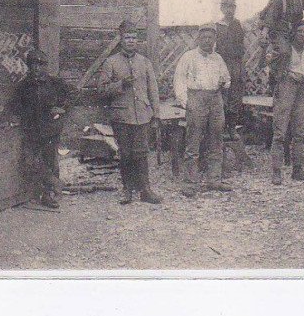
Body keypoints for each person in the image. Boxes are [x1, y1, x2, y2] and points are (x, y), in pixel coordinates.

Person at [97, 21, 162, 205]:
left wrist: (156, 114)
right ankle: (127, 190)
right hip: (121, 116)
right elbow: (101, 90)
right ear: (121, 39)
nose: (131, 41)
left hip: (142, 115)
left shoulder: (145, 62)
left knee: (141, 153)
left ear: (137, 40)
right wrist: (120, 85)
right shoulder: (111, 62)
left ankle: (145, 190)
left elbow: (153, 90)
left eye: (133, 37)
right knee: (125, 154)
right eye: (127, 37)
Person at [5, 47, 74, 210]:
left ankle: (50, 194)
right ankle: (53, 185)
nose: (37, 68)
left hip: (51, 129)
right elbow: (12, 105)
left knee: (50, 160)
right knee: (32, 161)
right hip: (31, 129)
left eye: (40, 64)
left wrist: (62, 108)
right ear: (29, 67)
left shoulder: (55, 83)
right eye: (33, 65)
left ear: (46, 66)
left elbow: (73, 94)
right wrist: (10, 117)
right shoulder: (23, 86)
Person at [173, 23, 232, 195]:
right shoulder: (188, 57)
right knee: (193, 142)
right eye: (204, 37)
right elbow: (179, 81)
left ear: (215, 40)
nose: (207, 41)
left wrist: (224, 83)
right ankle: (190, 183)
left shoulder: (218, 59)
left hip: (215, 99)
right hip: (196, 99)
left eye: (211, 38)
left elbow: (227, 79)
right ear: (198, 39)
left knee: (216, 140)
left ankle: (214, 180)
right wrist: (187, 102)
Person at [270, 21, 304, 185]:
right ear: (294, 33)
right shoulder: (285, 49)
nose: (303, 34)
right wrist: (289, 74)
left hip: (301, 89)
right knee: (280, 132)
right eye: (300, 31)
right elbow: (272, 67)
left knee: (299, 131)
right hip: (286, 88)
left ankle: (297, 169)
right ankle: (276, 171)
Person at [216, 0, 245, 134]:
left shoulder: (237, 24)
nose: (230, 10)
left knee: (235, 94)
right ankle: (220, 127)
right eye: (227, 6)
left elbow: (241, 46)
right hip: (222, 63)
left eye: (232, 7)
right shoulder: (217, 26)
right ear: (222, 8)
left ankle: (231, 126)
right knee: (222, 94)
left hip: (236, 63)